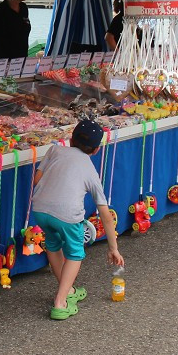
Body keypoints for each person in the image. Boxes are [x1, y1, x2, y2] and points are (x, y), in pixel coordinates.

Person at [31, 119, 124, 320]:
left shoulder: (54, 150)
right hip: (67, 215)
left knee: (53, 245)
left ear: (71, 139)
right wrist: (113, 248)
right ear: (96, 150)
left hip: (39, 209)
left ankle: (69, 291)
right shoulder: (90, 170)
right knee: (75, 253)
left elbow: (37, 180)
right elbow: (106, 216)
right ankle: (60, 302)